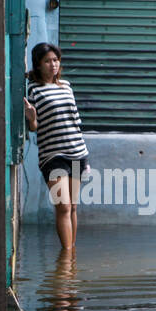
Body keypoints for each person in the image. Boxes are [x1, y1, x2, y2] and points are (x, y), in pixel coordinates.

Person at [23, 42, 89, 251]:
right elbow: (34, 128)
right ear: (38, 64)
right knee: (63, 206)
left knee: (74, 207)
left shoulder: (66, 86)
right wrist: (32, 119)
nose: (53, 65)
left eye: (55, 60)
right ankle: (67, 258)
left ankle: (71, 255)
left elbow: (75, 120)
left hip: (77, 152)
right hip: (53, 155)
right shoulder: (33, 90)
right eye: (47, 61)